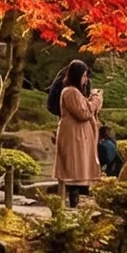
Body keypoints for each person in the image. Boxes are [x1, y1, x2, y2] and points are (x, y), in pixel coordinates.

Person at [53, 59, 104, 208]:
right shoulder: (70, 91)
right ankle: (73, 202)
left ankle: (77, 201)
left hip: (78, 134)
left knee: (78, 167)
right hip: (74, 135)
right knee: (74, 168)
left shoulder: (74, 92)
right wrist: (96, 100)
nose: (85, 80)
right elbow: (84, 112)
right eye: (83, 76)